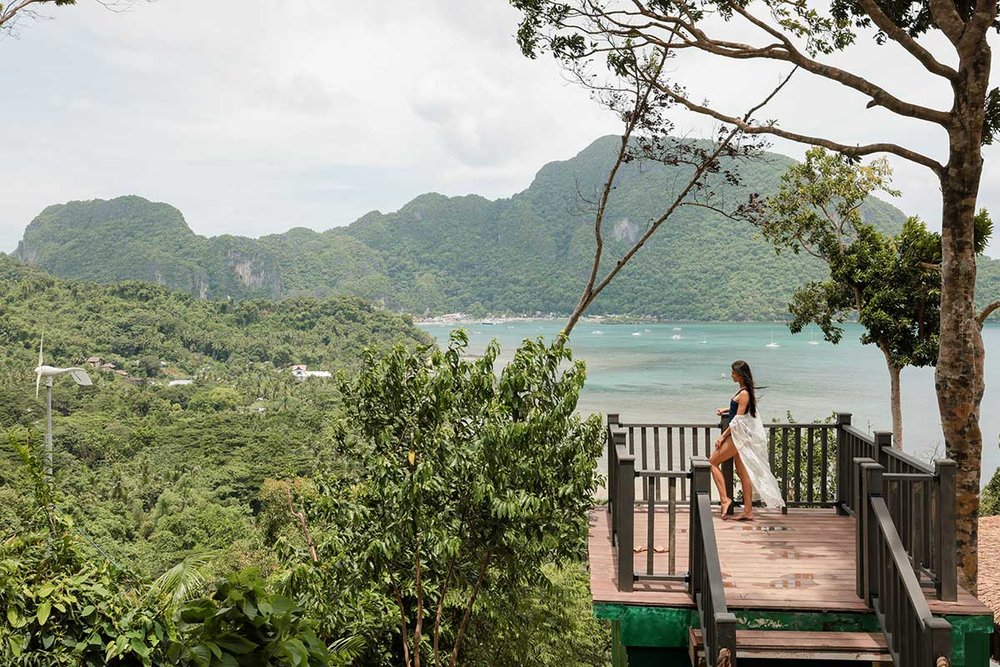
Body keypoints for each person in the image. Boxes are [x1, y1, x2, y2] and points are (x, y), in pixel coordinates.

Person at [709, 360, 785, 520]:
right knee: (743, 473)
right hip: (742, 437)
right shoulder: (744, 392)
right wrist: (726, 409)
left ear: (740, 375)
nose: (731, 375)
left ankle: (725, 499)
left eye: (733, 373)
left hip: (738, 437)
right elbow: (740, 409)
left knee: (712, 462)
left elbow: (739, 419)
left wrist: (723, 436)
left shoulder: (744, 393)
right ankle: (748, 511)